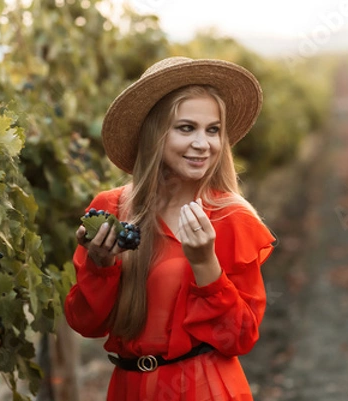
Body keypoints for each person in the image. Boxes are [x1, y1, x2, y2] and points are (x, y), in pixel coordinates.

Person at [64, 57, 277, 401]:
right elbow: (85, 324)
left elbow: (240, 338)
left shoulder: (231, 218)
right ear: (155, 134)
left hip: (202, 389)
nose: (202, 143)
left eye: (213, 130)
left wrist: (205, 263)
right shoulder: (113, 209)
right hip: (129, 389)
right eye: (186, 128)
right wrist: (100, 266)